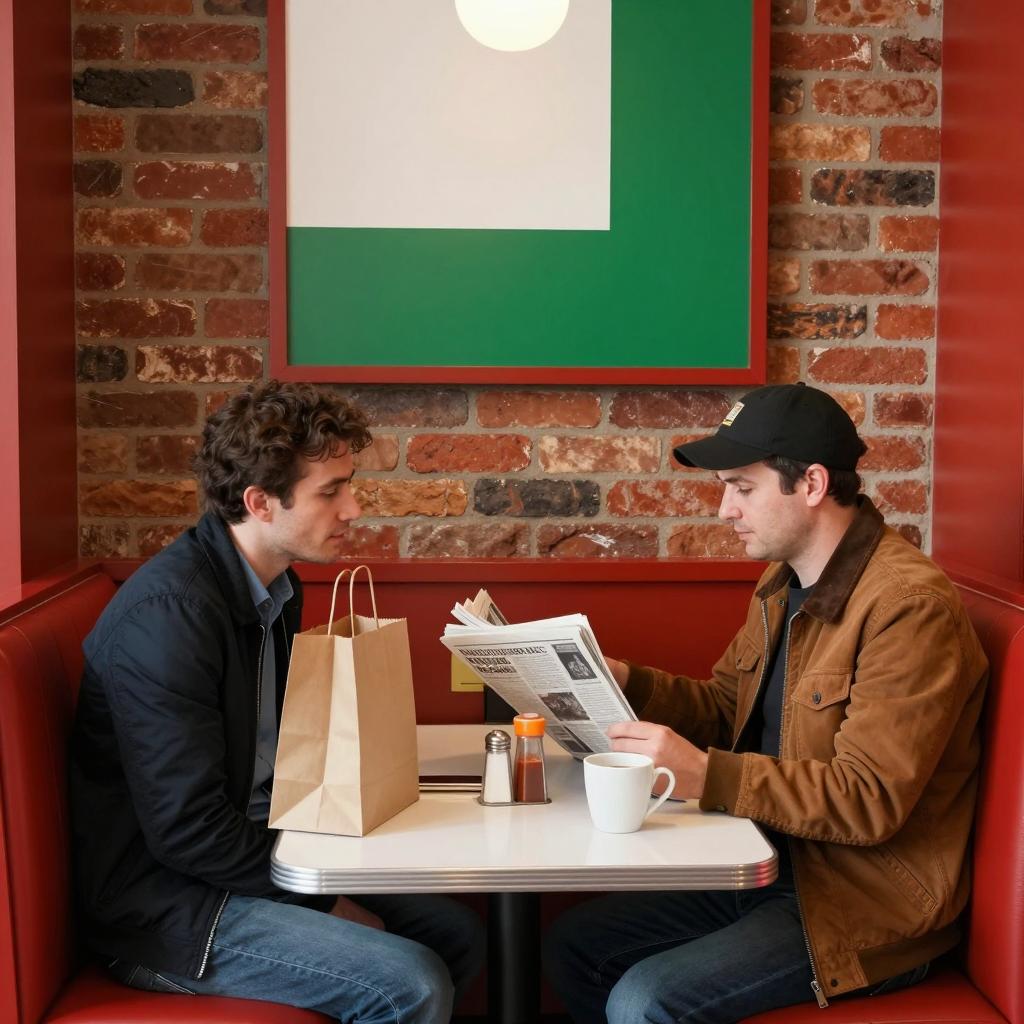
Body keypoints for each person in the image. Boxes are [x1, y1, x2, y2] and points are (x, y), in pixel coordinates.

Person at [543, 382, 988, 1024]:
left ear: (811, 484)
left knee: (645, 1000)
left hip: (860, 909)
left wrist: (709, 776)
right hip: (765, 862)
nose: (725, 510)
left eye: (742, 488)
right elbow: (728, 709)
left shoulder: (908, 609)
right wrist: (622, 681)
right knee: (574, 946)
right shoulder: (783, 582)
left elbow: (869, 799)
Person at [70, 380, 483, 1023]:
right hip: (167, 910)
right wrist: (325, 901)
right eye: (330, 491)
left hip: (244, 858)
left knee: (457, 932)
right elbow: (188, 830)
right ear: (260, 502)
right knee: (411, 981)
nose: (353, 509)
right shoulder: (171, 617)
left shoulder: (277, 590)